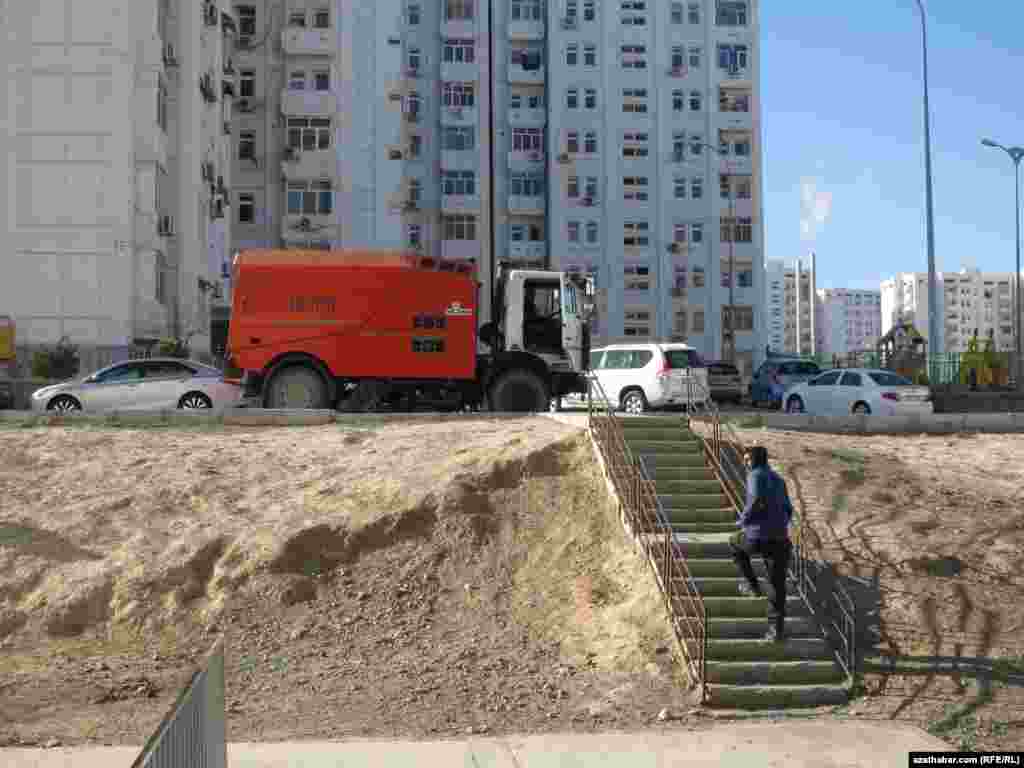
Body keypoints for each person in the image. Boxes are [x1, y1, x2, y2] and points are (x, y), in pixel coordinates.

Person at [730, 445, 794, 642]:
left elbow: (756, 499)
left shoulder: (755, 475)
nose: (746, 464)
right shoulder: (779, 480)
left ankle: (752, 586)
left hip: (758, 536)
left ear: (756, 460)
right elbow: (788, 509)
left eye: (748, 460)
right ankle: (776, 631)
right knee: (777, 586)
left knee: (735, 543)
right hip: (780, 538)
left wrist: (744, 520)